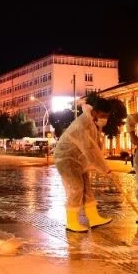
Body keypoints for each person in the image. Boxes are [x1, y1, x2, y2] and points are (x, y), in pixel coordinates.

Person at [53, 97, 114, 232]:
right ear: (95, 112)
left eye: (107, 116)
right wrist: (105, 169)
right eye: (103, 115)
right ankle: (71, 222)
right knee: (76, 187)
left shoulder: (92, 122)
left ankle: (93, 217)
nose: (105, 119)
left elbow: (95, 146)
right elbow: (90, 150)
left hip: (79, 160)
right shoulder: (83, 124)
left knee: (87, 189)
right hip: (66, 159)